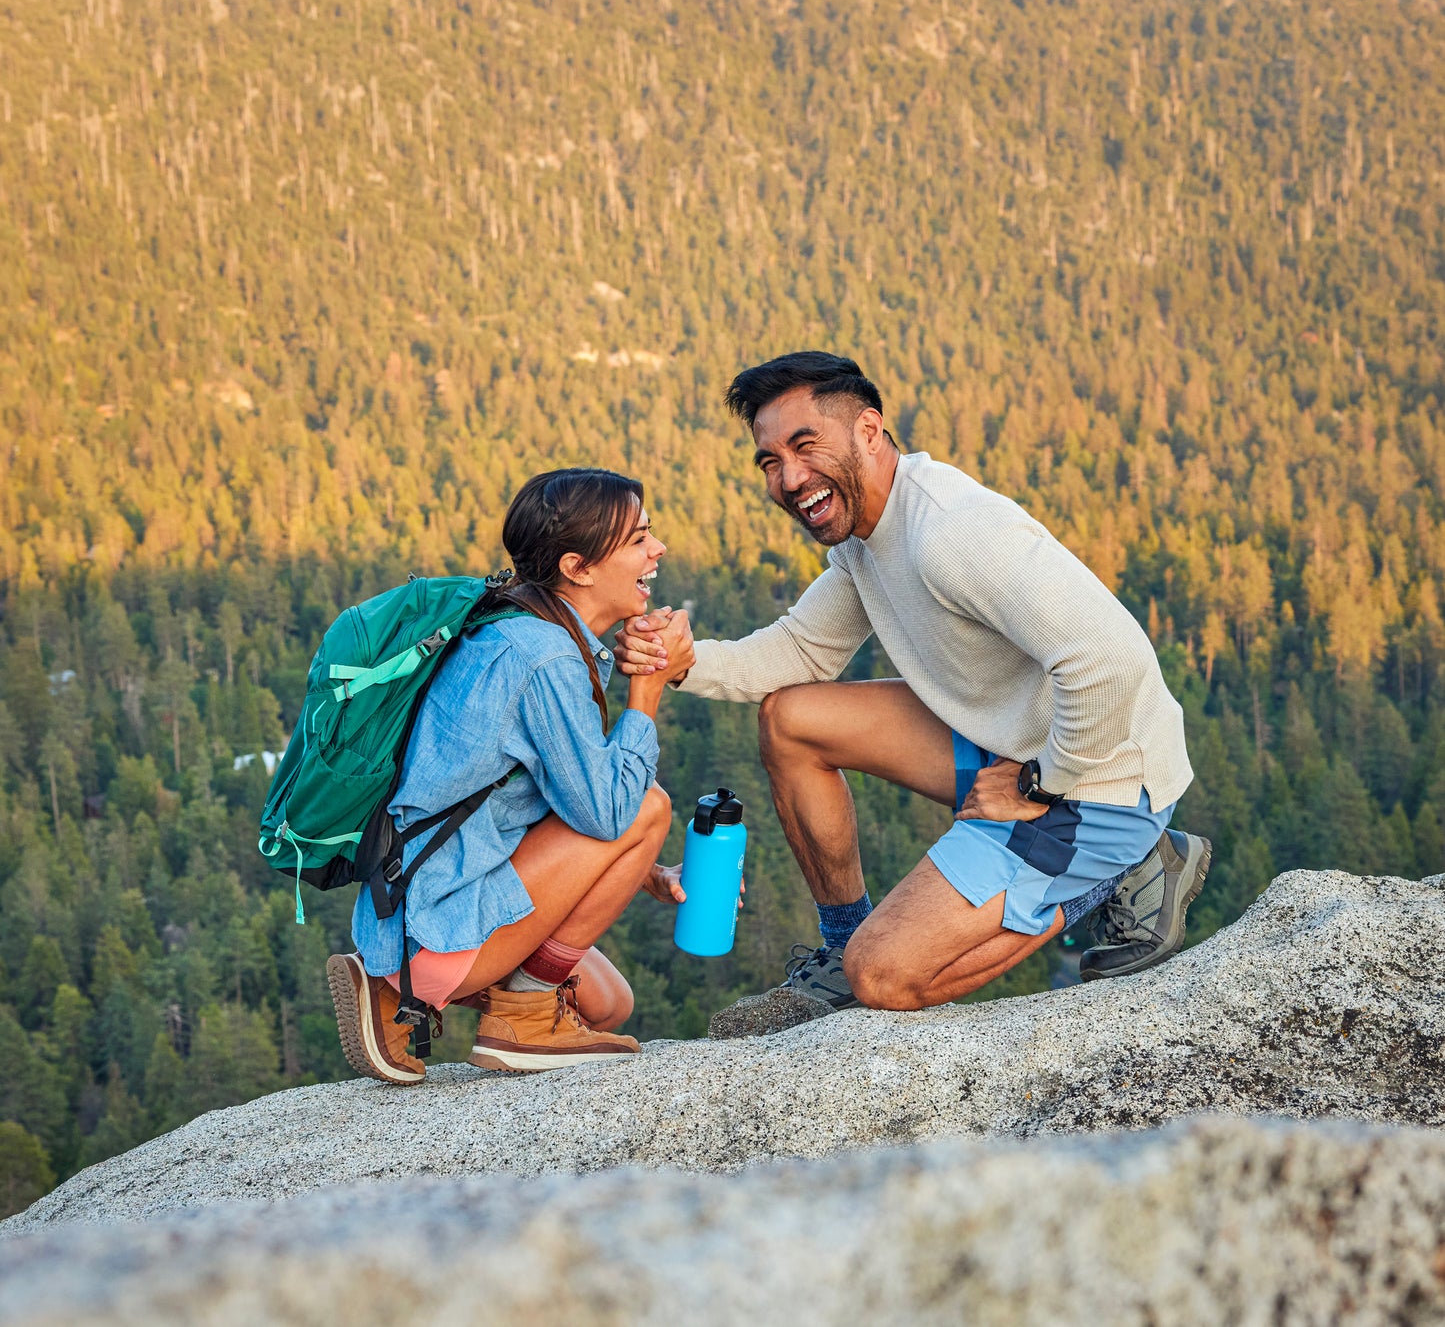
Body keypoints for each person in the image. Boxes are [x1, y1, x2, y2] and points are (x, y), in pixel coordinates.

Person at [616, 352, 1210, 1032]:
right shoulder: (869, 535)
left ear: (868, 429)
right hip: (1012, 746)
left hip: (1100, 782)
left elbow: (1109, 659)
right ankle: (842, 946)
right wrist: (679, 660)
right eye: (770, 461)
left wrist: (1042, 783)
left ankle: (1126, 864)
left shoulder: (950, 531)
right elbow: (800, 652)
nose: (788, 477)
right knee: (792, 719)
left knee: (886, 975)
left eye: (804, 446)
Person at [327, 467, 695, 1083]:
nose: (656, 550)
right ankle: (511, 1018)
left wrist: (637, 868)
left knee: (607, 1004)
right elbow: (607, 813)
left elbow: (508, 793)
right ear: (578, 568)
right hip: (440, 919)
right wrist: (647, 694)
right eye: (637, 539)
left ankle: (399, 991)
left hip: (411, 901)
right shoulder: (544, 657)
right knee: (645, 807)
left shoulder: (507, 621)